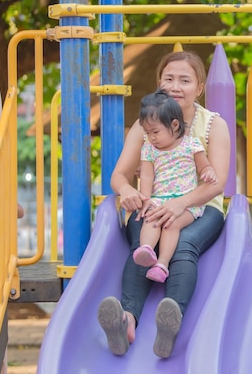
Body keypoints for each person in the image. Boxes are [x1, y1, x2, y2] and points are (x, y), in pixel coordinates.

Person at [97, 50, 230, 358]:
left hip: (200, 207)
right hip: (153, 204)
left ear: (199, 88)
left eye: (185, 80)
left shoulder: (212, 126)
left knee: (184, 245)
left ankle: (170, 322)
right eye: (168, 79)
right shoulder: (145, 125)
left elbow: (216, 182)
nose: (175, 86)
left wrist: (179, 204)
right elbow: (119, 175)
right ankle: (126, 321)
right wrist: (128, 190)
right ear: (159, 83)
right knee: (142, 245)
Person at [134, 90, 218, 283]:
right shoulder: (149, 149)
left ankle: (162, 265)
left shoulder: (191, 145)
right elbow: (147, 175)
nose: (151, 137)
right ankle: (146, 249)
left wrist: (208, 172)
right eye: (147, 133)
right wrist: (145, 199)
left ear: (174, 125)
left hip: (187, 202)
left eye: (155, 132)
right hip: (160, 199)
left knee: (172, 224)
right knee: (151, 218)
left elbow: (204, 165)